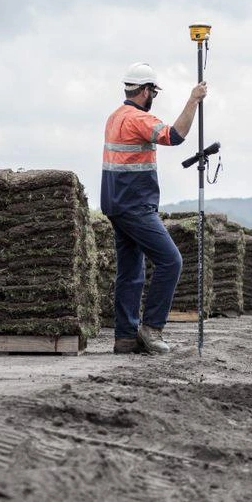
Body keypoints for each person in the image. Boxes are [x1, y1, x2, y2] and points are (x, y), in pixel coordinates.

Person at [101, 62, 208, 354]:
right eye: (154, 93)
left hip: (115, 204)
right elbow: (175, 136)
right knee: (171, 261)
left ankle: (125, 337)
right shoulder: (137, 119)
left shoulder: (114, 117)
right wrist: (193, 100)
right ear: (146, 90)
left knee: (131, 271)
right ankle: (151, 329)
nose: (153, 99)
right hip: (135, 206)